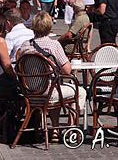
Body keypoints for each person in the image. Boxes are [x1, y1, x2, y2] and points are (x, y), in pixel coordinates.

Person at [19, 12, 87, 141]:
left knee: (55, 87)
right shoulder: (54, 45)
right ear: (49, 28)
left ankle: (55, 129)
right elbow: (67, 70)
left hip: (30, 91)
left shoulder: (25, 45)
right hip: (49, 92)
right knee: (81, 91)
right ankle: (70, 126)